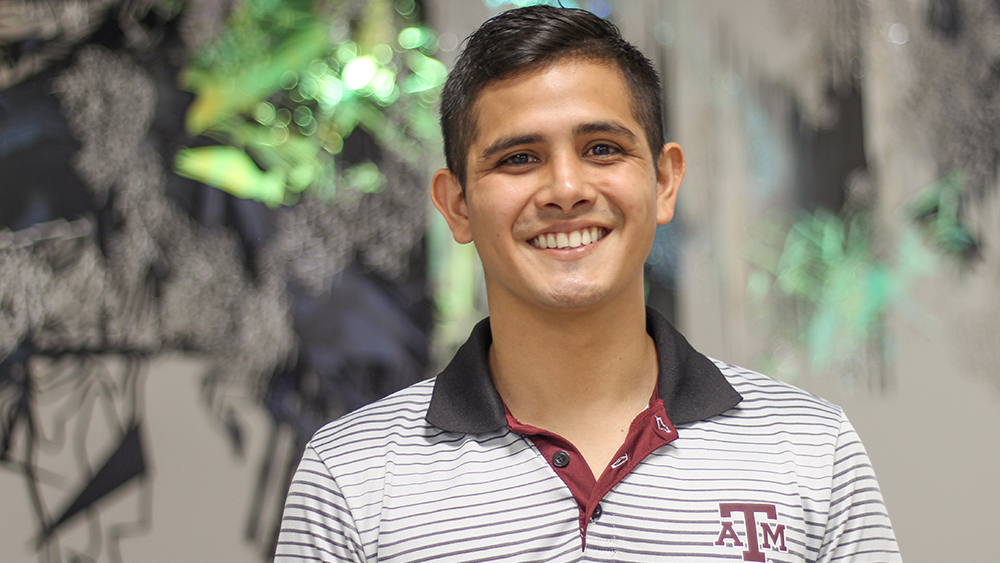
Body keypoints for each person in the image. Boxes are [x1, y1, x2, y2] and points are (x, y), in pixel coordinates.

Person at [274, 6, 900, 562]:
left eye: (602, 149)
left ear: (664, 182)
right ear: (457, 205)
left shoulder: (812, 451)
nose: (567, 190)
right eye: (519, 158)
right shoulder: (351, 478)